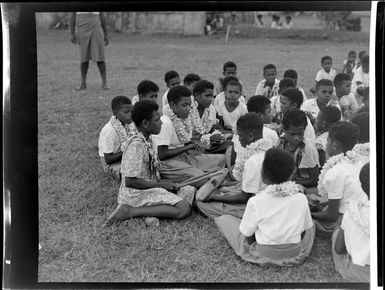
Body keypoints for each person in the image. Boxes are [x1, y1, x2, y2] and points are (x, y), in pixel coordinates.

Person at [215, 147, 315, 266]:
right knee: (311, 226)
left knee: (224, 220)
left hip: (264, 255)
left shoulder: (256, 201)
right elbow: (303, 231)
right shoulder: (301, 198)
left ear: (263, 175)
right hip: (294, 254)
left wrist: (257, 244)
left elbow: (248, 237)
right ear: (291, 176)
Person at [104, 100, 194, 227]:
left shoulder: (146, 138)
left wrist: (165, 183)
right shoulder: (136, 144)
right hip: (135, 194)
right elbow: (130, 182)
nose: (161, 122)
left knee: (189, 187)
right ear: (146, 123)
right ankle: (129, 211)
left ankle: (151, 214)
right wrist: (162, 185)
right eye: (157, 120)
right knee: (184, 208)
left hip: (148, 187)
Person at [196, 113, 273, 219]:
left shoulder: (253, 161)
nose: (239, 139)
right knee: (225, 189)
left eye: (240, 135)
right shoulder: (270, 148)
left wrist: (214, 198)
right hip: (263, 196)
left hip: (257, 205)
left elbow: (244, 198)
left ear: (250, 136)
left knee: (202, 204)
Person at [153, 85, 226, 188]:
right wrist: (190, 146)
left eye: (189, 105)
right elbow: (162, 154)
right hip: (167, 163)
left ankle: (192, 174)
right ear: (172, 105)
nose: (188, 109)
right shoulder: (166, 122)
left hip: (183, 157)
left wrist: (201, 143)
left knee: (223, 159)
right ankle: (167, 181)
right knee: (202, 179)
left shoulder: (183, 118)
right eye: (184, 105)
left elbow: (185, 140)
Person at [311, 122, 368, 235]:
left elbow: (331, 216)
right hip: (360, 211)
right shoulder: (358, 161)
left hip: (345, 220)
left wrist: (308, 214)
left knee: (307, 220)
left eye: (327, 141)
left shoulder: (335, 171)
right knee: (315, 201)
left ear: (335, 145)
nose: (325, 144)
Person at [332, 162, 370, 282]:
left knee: (336, 234)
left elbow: (338, 249)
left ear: (362, 186)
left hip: (357, 273)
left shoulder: (353, 211)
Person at [278, 109, 319, 187]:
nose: (296, 138)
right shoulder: (280, 142)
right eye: (292, 134)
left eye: (300, 134)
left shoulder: (308, 148)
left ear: (304, 130)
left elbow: (314, 180)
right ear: (284, 130)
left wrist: (289, 183)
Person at [70, 12, 109, 90]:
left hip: (96, 27)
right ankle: (83, 83)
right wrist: (72, 33)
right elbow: (72, 16)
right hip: (82, 28)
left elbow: (102, 16)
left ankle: (104, 83)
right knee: (83, 57)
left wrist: (106, 34)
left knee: (100, 56)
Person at [98, 96, 133, 181]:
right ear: (115, 113)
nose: (130, 115)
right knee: (133, 173)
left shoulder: (128, 125)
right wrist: (128, 149)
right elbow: (108, 159)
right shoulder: (109, 130)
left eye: (132, 111)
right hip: (112, 165)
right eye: (126, 112)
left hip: (125, 159)